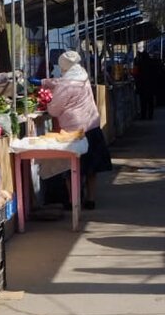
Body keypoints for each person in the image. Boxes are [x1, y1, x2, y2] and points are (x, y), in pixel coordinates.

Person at [42, 51, 114, 210]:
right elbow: (64, 83)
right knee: (91, 167)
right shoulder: (83, 77)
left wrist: (47, 103)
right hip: (92, 126)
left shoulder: (65, 85)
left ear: (63, 66)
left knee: (71, 167)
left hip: (73, 131)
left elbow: (54, 110)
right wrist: (50, 83)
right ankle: (91, 199)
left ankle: (73, 200)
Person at [133, 51, 156, 120]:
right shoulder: (152, 63)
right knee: (150, 102)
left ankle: (143, 115)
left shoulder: (140, 64)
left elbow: (136, 74)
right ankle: (150, 115)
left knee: (143, 102)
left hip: (142, 86)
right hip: (150, 86)